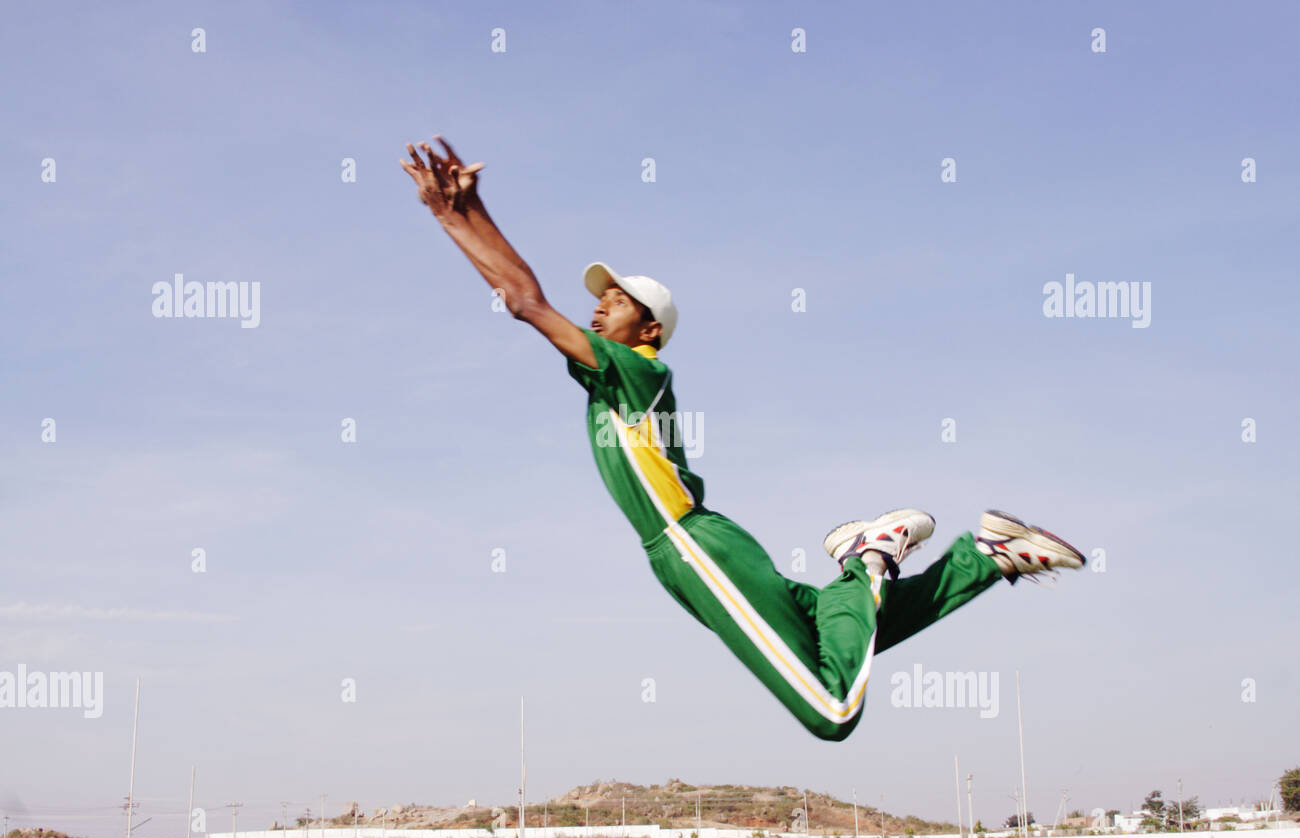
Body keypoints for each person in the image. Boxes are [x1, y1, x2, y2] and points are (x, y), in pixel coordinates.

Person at [401, 138, 1085, 741]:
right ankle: (987, 557)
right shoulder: (614, 380)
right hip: (702, 542)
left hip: (690, 543)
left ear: (649, 329)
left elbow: (523, 302)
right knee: (835, 632)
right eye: (599, 296)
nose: (599, 303)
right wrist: (460, 211)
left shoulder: (635, 372)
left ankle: (870, 557)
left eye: (617, 299)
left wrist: (453, 214)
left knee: (831, 710)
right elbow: (523, 301)